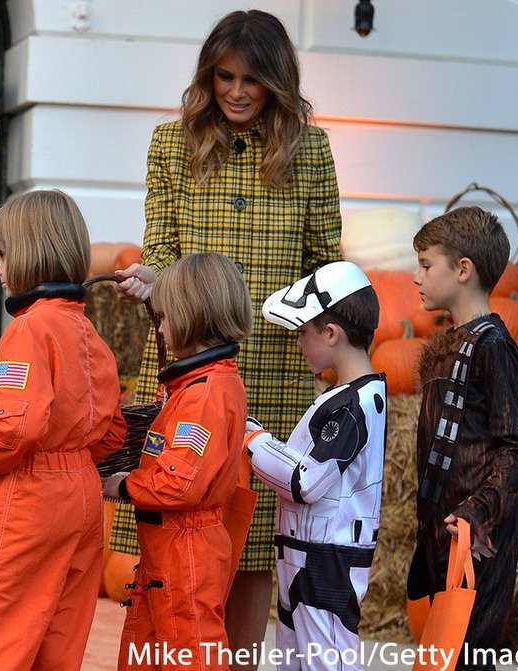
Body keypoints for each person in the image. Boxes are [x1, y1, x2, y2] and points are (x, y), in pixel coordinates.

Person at [113, 10, 342, 664]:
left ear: (277, 81)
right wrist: (154, 280)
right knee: (179, 526)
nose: (236, 92)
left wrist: (319, 337)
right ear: (208, 76)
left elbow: (325, 258)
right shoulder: (171, 142)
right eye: (224, 77)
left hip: (273, 363)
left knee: (255, 544)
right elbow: (162, 245)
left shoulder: (310, 149)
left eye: (252, 80)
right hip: (189, 362)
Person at [0, 189, 126, 671]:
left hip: (34, 494)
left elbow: (18, 428)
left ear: (30, 254)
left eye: (2, 256)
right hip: (84, 495)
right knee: (59, 641)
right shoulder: (90, 333)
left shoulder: (28, 329)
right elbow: (112, 433)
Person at [103, 252, 252, 671]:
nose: (161, 327)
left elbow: (179, 484)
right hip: (166, 548)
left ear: (192, 318)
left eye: (165, 317)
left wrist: (123, 484)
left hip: (186, 550)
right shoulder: (196, 385)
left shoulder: (204, 395)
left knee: (191, 653)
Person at [244, 261, 386, 671]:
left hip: (327, 560)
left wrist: (252, 438)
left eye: (303, 332)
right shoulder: (346, 397)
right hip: (308, 552)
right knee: (296, 658)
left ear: (331, 333)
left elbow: (304, 481)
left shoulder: (354, 405)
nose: (299, 343)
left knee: (326, 660)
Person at [407, 206, 518, 671]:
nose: (416, 277)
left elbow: (514, 446)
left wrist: (479, 510)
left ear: (463, 270)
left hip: (478, 536)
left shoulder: (493, 345)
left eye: (426, 265)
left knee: (470, 654)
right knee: (445, 653)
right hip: (443, 530)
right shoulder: (450, 343)